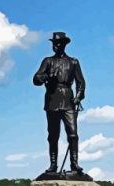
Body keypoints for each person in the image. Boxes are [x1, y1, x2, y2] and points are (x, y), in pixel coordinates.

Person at [33, 32, 86, 174]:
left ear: (64, 44)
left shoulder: (73, 62)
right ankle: (53, 165)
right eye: (54, 43)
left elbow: (81, 82)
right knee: (53, 135)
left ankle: (74, 164)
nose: (56, 46)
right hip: (52, 100)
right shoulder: (47, 61)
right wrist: (46, 77)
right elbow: (36, 79)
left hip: (68, 101)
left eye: (59, 43)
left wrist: (78, 97)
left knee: (73, 135)